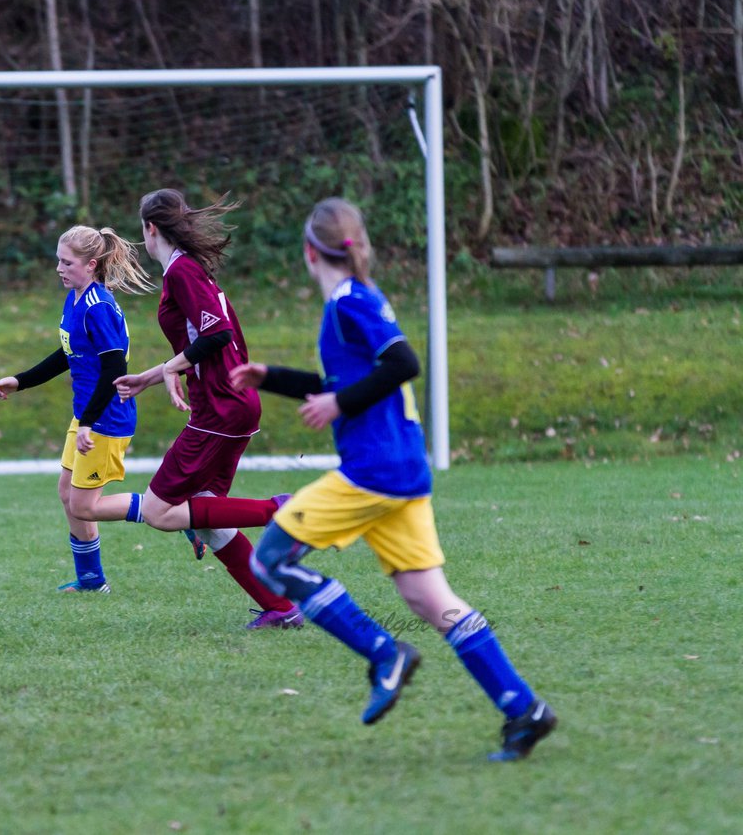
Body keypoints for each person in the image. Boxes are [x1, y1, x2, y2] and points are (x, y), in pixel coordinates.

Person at [230, 196, 557, 761]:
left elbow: (404, 364)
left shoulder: (349, 303)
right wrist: (274, 378)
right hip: (402, 471)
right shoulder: (357, 301)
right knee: (430, 599)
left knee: (271, 560)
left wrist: (336, 403)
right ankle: (523, 709)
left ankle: (383, 652)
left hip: (374, 470)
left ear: (310, 252)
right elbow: (349, 381)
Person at [82, 188, 303, 630]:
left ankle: (283, 511)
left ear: (150, 228)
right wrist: (152, 375)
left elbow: (216, 334)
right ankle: (282, 608)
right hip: (231, 404)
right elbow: (202, 340)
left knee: (161, 512)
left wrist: (173, 369)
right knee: (206, 513)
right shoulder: (189, 270)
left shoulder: (181, 272)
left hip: (220, 408)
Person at [0, 224, 153, 593]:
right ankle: (91, 580)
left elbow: (116, 370)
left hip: (105, 420)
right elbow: (68, 354)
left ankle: (170, 511)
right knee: (68, 494)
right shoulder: (76, 298)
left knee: (84, 506)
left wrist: (89, 423)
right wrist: (21, 380)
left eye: (67, 263)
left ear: (91, 264)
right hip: (87, 417)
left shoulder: (98, 308)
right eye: (58, 261)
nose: (59, 269)